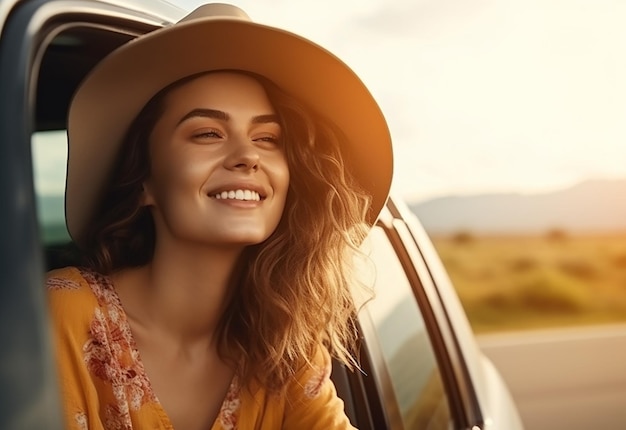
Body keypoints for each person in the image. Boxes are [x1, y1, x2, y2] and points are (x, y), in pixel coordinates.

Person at [46, 3, 392, 429]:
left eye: (267, 138)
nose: (247, 156)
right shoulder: (59, 315)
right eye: (208, 133)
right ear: (143, 181)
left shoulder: (286, 351)